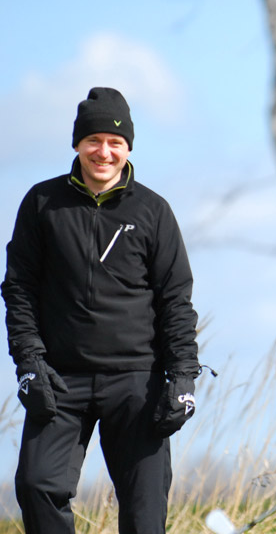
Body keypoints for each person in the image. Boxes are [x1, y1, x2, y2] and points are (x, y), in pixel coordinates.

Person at [2, 87, 200, 534]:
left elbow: (175, 300)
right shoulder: (41, 204)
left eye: (115, 142)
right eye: (93, 140)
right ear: (77, 144)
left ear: (128, 147)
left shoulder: (153, 211)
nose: (103, 151)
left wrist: (183, 376)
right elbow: (19, 290)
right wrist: (29, 363)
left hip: (136, 379)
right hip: (60, 378)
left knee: (145, 512)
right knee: (36, 486)